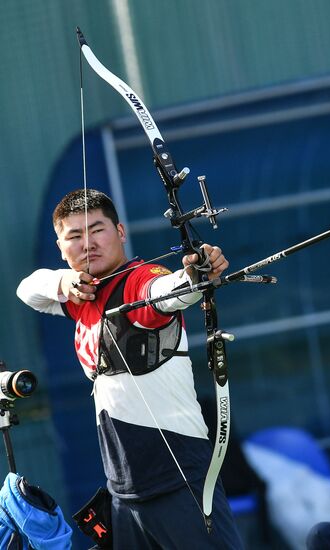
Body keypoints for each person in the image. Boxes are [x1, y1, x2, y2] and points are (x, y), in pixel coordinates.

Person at [16, 188, 244, 549]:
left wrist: (195, 276)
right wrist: (64, 282)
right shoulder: (82, 297)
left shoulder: (140, 278)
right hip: (123, 495)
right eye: (74, 236)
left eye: (97, 229)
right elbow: (28, 290)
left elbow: (164, 292)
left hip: (178, 481)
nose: (87, 242)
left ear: (120, 232)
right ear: (60, 246)